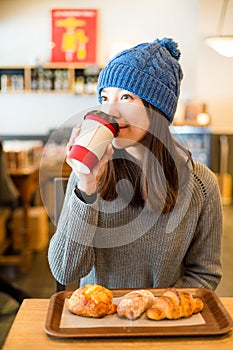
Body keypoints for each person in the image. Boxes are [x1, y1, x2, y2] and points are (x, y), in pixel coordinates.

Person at [48, 38, 223, 290]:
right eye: (105, 98)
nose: (112, 111)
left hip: (162, 324)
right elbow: (66, 271)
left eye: (127, 97)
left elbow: (204, 274)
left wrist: (154, 309)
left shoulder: (201, 184)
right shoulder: (91, 171)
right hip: (97, 319)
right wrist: (86, 185)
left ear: (157, 110)